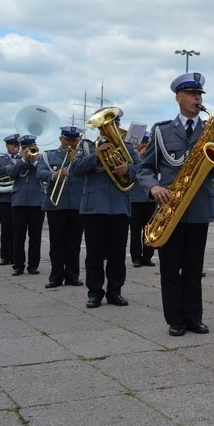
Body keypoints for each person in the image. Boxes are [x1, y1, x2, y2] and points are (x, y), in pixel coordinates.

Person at [138, 73, 214, 336]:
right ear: (178, 97)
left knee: (193, 268)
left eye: (199, 94)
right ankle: (174, 319)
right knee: (169, 267)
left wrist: (211, 156)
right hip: (168, 208)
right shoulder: (161, 130)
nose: (197, 98)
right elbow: (144, 169)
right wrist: (153, 187)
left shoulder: (211, 129)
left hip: (199, 207)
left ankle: (193, 317)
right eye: (191, 94)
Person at [70, 109, 140, 308]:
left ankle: (115, 292)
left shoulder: (127, 147)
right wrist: (97, 157)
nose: (111, 128)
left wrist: (128, 169)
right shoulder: (88, 147)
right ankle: (94, 292)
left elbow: (142, 169)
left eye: (114, 125)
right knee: (94, 253)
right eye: (106, 126)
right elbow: (75, 170)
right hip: (93, 207)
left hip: (119, 205)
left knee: (118, 253)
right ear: (100, 128)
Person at [37, 126, 85, 288]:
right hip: (56, 205)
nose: (71, 143)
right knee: (56, 243)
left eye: (74, 140)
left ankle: (72, 276)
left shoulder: (83, 156)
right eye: (67, 140)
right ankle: (55, 277)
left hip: (77, 204)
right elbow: (40, 172)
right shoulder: (49, 155)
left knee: (74, 243)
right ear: (61, 139)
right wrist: (54, 175)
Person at [7, 135, 46, 276]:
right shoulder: (14, 161)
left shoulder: (40, 160)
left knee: (35, 237)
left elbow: (43, 174)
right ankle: (18, 265)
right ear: (20, 149)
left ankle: (33, 265)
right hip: (19, 203)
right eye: (25, 148)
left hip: (37, 202)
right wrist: (23, 159)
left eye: (30, 147)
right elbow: (11, 174)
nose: (28, 150)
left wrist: (34, 161)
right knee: (18, 236)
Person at [0, 134, 20, 267]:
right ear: (7, 145)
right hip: (5, 198)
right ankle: (5, 256)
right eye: (13, 145)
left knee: (18, 230)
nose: (15, 147)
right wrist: (6, 169)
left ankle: (16, 256)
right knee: (6, 229)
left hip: (19, 197)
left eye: (17, 145)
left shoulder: (23, 158)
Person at [129, 133, 157, 268]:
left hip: (150, 198)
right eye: (142, 142)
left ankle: (147, 256)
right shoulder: (130, 156)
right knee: (135, 230)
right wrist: (139, 156)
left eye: (147, 142)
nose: (145, 144)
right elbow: (130, 174)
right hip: (135, 197)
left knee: (150, 228)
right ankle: (136, 257)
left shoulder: (153, 155)